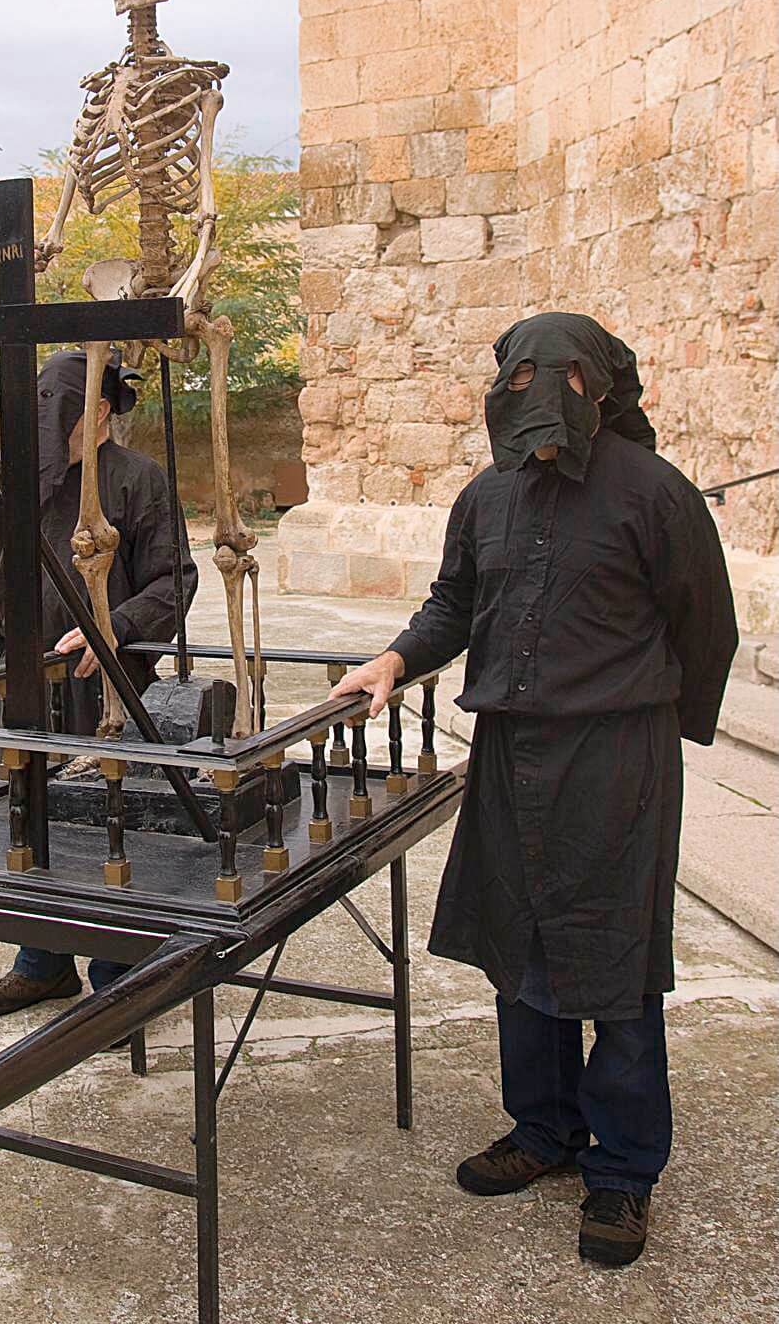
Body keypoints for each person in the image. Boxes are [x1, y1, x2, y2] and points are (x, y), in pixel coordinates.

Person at [330, 313, 737, 1269]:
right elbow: (456, 605)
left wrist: (645, 729)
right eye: (519, 376)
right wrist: (392, 659)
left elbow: (703, 629)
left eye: (561, 377)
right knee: (520, 952)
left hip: (616, 760)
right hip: (511, 752)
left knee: (615, 965)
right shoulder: (485, 496)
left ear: (601, 386)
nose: (538, 393)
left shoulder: (656, 494)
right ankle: (544, 1132)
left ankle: (623, 1172)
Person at [0, 347, 198, 1015]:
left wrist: (115, 626)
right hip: (25, 686)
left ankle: (114, 981)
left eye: (56, 409)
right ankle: (40, 962)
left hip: (104, 689)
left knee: (100, 831)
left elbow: (174, 578)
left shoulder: (137, 479)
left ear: (96, 412)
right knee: (26, 823)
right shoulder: (26, 484)